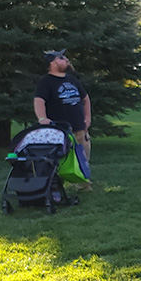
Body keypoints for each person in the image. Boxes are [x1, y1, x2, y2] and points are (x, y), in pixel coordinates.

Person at [35, 49, 93, 190]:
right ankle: (55, 184)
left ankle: (83, 183)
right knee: (60, 157)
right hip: (60, 128)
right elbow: (39, 101)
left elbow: (85, 98)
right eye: (61, 58)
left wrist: (87, 117)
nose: (66, 59)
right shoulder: (46, 82)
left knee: (83, 155)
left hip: (79, 126)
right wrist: (42, 118)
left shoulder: (71, 79)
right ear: (52, 63)